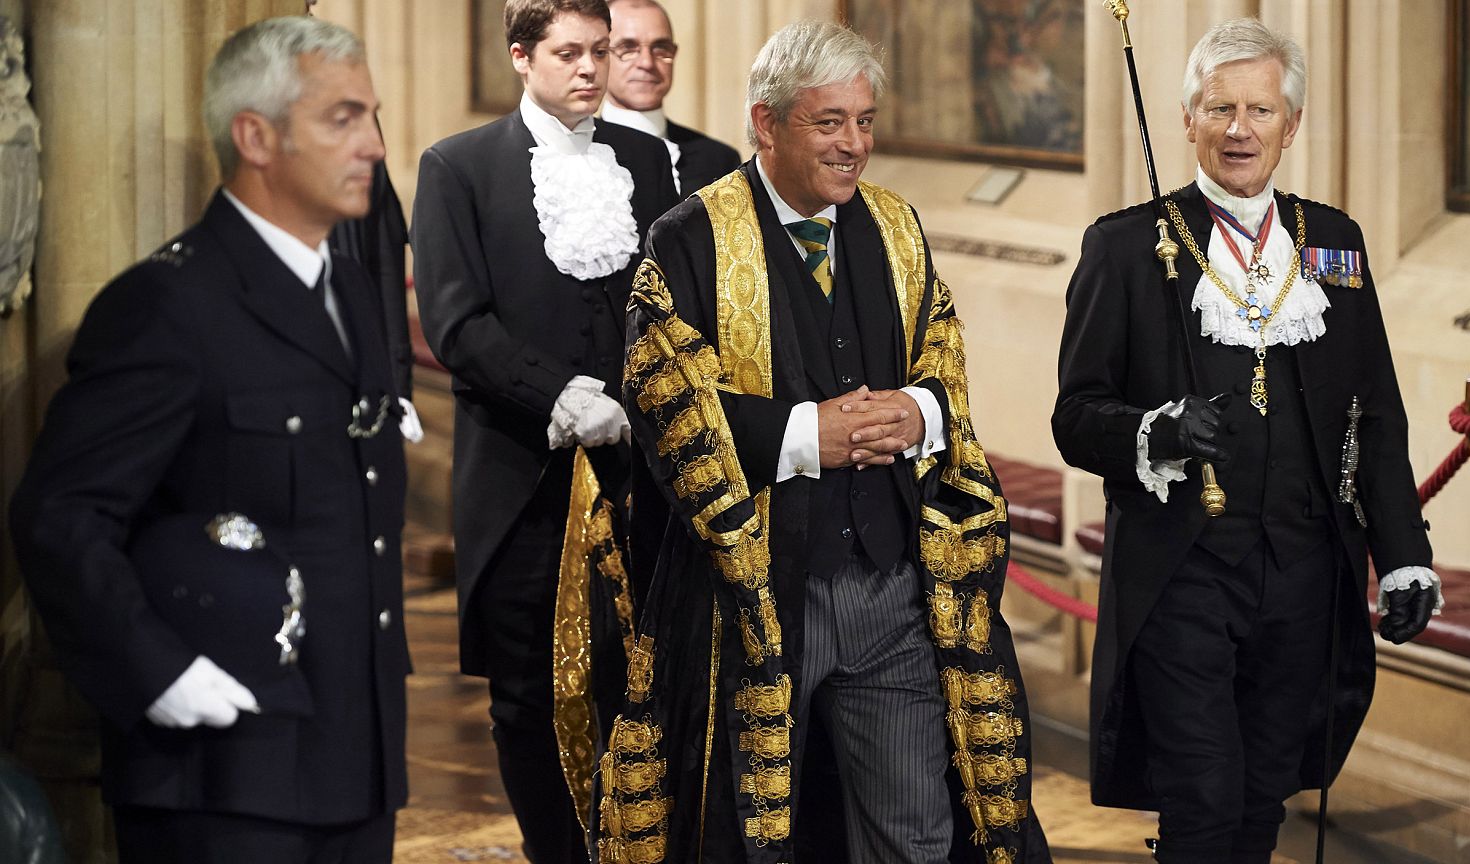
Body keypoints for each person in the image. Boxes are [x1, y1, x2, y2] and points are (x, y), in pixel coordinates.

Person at [600, 20, 1051, 864]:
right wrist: (812, 434)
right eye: (829, 122)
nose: (854, 145)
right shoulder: (688, 239)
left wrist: (922, 413)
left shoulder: (896, 226)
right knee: (749, 838)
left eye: (865, 120)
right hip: (754, 599)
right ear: (765, 123)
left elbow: (942, 354)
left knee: (914, 832)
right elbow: (667, 416)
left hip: (890, 588)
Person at [9, 16, 410, 863]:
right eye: (342, 118)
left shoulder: (343, 289)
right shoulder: (168, 305)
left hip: (352, 753)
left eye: (373, 115)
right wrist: (156, 673)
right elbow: (60, 514)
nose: (373, 143)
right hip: (221, 770)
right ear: (255, 136)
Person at [1052, 18, 1440, 864]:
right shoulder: (1124, 248)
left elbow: (1375, 414)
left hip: (1305, 571)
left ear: (1289, 126)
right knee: (1203, 800)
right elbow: (1077, 416)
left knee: (1264, 797)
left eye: (1259, 111)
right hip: (1183, 574)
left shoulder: (1333, 242)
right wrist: (1153, 430)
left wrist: (1405, 552)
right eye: (1219, 108)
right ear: (1187, 119)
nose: (1239, 130)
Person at [410, 1, 676, 861]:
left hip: (640, 475)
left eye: (601, 51)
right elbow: (457, 323)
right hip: (525, 471)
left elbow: (674, 302)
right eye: (570, 53)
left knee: (638, 676)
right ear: (523, 57)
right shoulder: (459, 167)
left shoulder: (643, 157)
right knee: (527, 692)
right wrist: (562, 395)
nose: (591, 68)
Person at [602, 0, 740, 196]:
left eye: (660, 48)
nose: (647, 63)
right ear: (600, 55)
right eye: (628, 48)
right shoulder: (577, 149)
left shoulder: (719, 160)